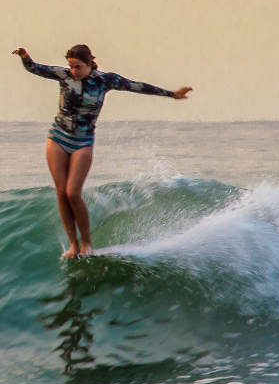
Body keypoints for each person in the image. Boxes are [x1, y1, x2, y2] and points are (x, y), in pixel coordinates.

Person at [12, 45, 192, 259]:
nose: (73, 70)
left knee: (73, 193)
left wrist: (172, 94)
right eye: (70, 66)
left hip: (83, 141)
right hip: (58, 137)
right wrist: (25, 56)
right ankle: (73, 244)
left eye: (78, 66)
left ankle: (87, 243)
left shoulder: (106, 81)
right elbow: (35, 68)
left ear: (89, 64)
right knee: (61, 193)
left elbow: (137, 86)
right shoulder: (63, 75)